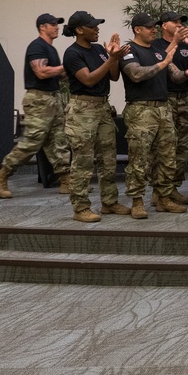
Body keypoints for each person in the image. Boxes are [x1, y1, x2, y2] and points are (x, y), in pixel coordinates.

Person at [119, 12, 188, 218]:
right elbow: (136, 74)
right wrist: (164, 62)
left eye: (154, 26)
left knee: (167, 157)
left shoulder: (157, 50)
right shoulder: (129, 50)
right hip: (141, 110)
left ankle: (163, 198)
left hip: (163, 109)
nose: (153, 29)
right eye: (149, 27)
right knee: (140, 159)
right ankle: (137, 201)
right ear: (137, 29)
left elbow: (176, 76)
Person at [0, 13, 70, 199]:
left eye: (57, 24)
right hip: (39, 100)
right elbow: (41, 72)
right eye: (53, 24)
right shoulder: (37, 47)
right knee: (32, 142)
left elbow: (57, 74)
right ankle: (0, 176)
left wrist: (72, 69)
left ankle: (66, 180)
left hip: (53, 98)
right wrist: (67, 66)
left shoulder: (51, 49)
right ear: (43, 27)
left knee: (59, 140)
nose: (57, 27)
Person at [60, 11, 129, 222]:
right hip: (82, 109)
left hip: (102, 109)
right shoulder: (72, 53)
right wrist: (111, 60)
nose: (97, 28)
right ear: (79, 30)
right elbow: (88, 80)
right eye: (93, 26)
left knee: (108, 160)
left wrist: (113, 57)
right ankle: (80, 208)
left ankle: (109, 203)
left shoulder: (99, 49)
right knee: (83, 161)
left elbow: (114, 76)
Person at [152, 11, 188, 204]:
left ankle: (173, 188)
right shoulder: (156, 45)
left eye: (181, 22)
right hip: (165, 99)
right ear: (164, 25)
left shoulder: (184, 45)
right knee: (164, 146)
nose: (179, 24)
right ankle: (159, 189)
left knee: (183, 146)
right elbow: (160, 62)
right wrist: (176, 42)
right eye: (175, 21)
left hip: (184, 97)